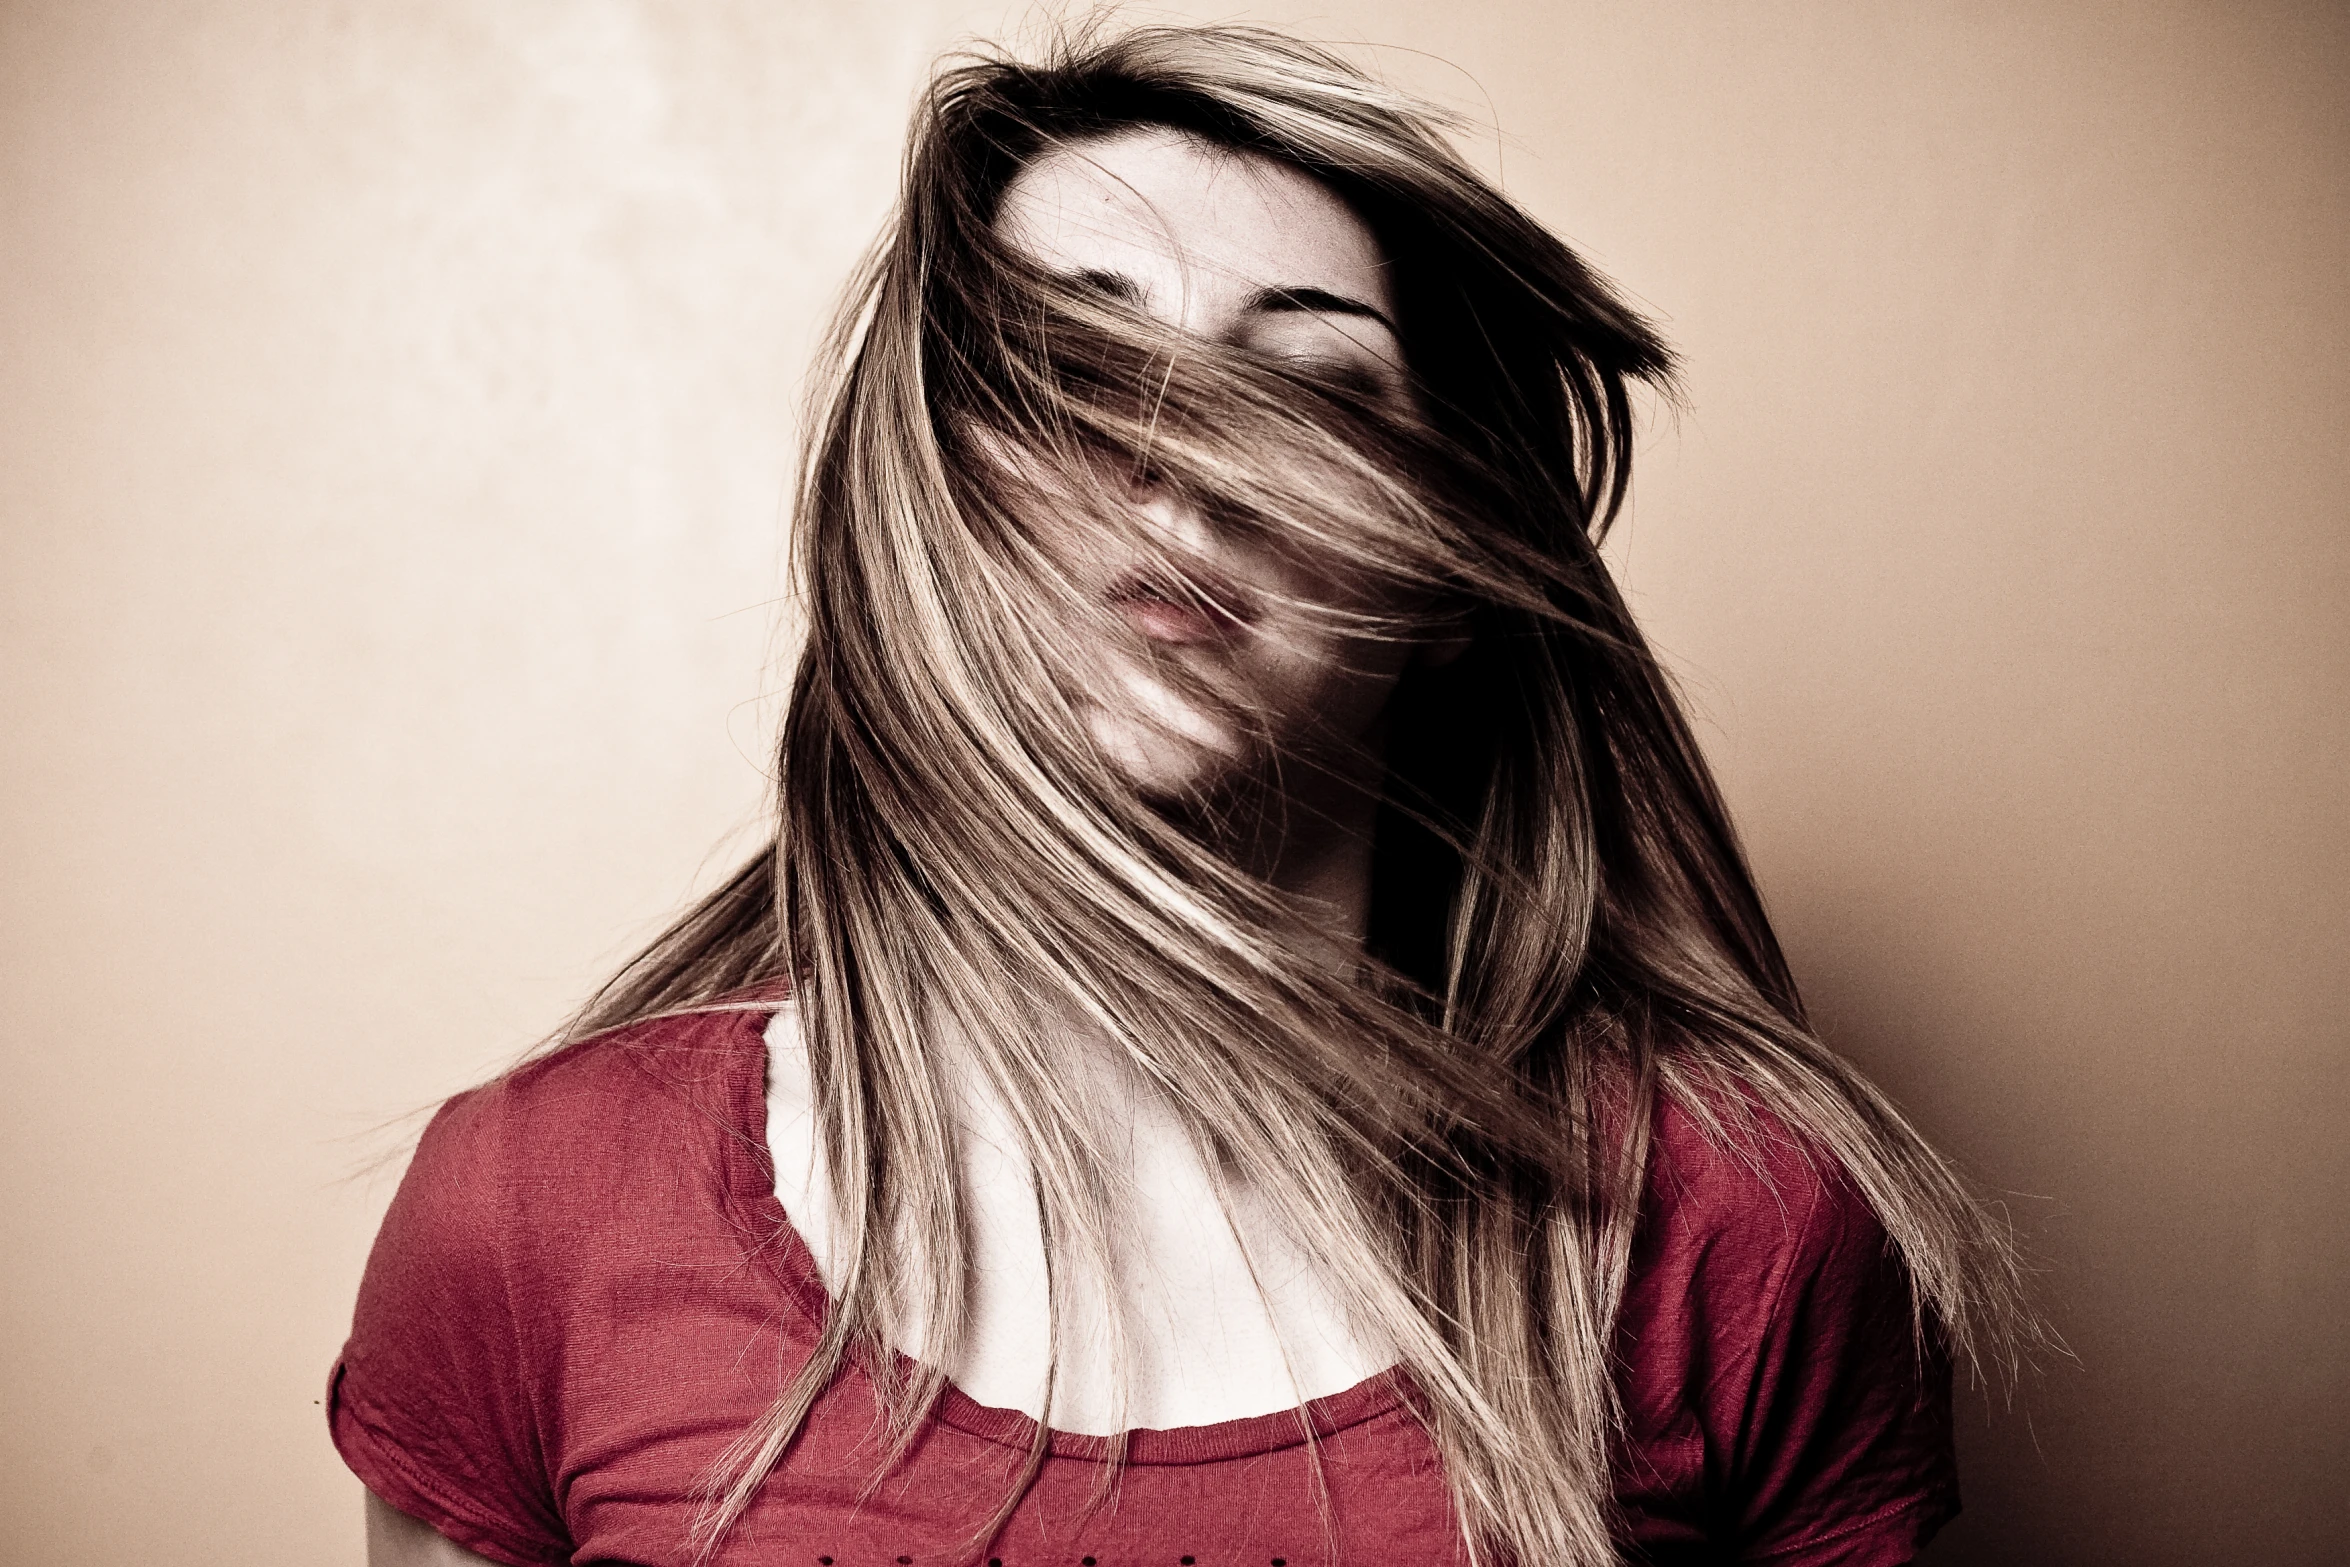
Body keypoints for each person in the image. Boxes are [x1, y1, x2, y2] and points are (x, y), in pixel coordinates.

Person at [334, 24, 2032, 1567]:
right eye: (1073, 365)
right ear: (929, 505)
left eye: (1304, 388)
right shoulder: (534, 1209)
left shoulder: (1739, 1227)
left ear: (1442, 575)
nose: (1174, 455)